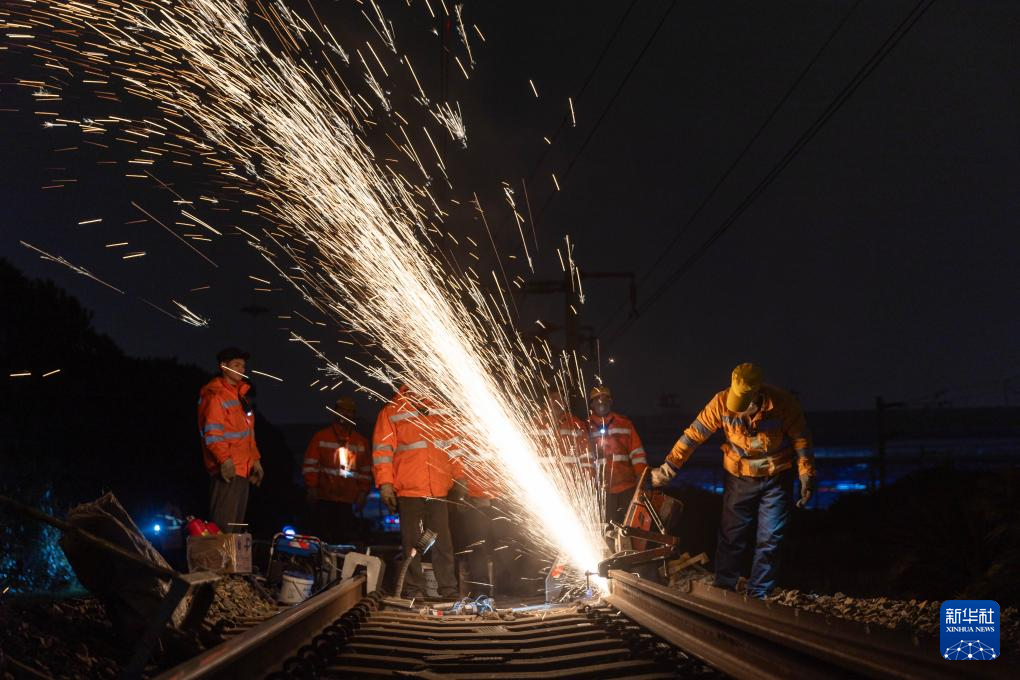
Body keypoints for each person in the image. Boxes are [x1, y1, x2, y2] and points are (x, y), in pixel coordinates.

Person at [650, 363, 816, 599]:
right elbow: (694, 435)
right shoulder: (721, 402)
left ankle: (759, 594)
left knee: (770, 539)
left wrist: (806, 474)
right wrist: (669, 467)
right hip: (739, 478)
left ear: (758, 394)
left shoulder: (782, 403)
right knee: (731, 535)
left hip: (776, 479)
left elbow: (801, 439)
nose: (739, 410)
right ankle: (725, 589)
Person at [372, 386, 467, 599]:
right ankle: (414, 589)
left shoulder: (441, 409)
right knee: (412, 544)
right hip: (409, 490)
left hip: (437, 490)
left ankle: (448, 589)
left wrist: (460, 477)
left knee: (443, 543)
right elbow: (382, 451)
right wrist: (385, 484)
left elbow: (454, 448)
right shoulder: (392, 410)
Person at [197, 347, 264, 532]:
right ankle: (219, 554)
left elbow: (248, 434)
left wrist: (255, 461)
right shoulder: (216, 395)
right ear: (223, 366)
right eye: (236, 365)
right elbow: (212, 433)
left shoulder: (239, 396)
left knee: (234, 530)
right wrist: (225, 460)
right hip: (226, 471)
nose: (241, 369)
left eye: (243, 366)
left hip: (241, 470)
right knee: (223, 528)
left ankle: (230, 554)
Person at [302, 396, 372, 544]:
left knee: (344, 540)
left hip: (348, 501)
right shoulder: (321, 437)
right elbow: (310, 466)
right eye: (342, 411)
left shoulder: (361, 442)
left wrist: (363, 493)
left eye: (349, 412)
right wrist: (312, 488)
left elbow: (365, 471)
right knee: (323, 540)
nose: (345, 415)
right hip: (324, 498)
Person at [587, 385, 648, 525]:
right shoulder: (585, 427)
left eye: (605, 398)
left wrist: (641, 478)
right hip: (602, 489)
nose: (601, 402)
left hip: (626, 486)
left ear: (611, 401)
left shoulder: (624, 424)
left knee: (628, 526)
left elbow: (637, 453)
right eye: (597, 399)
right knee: (606, 527)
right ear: (591, 404)